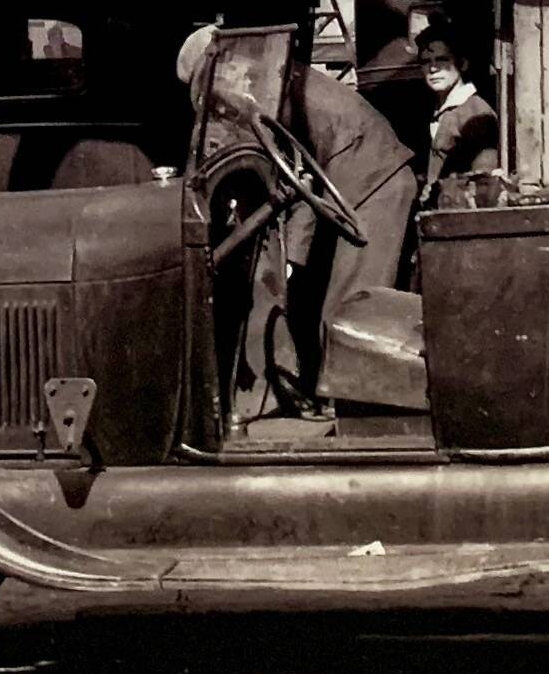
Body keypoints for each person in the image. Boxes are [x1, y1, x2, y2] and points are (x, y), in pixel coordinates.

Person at [177, 23, 414, 415]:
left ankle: (357, 415)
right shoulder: (271, 83)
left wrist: (291, 257)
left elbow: (299, 177)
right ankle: (325, 399)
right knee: (318, 301)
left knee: (350, 310)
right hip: (351, 183)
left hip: (376, 184)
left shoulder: (270, 89)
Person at [416, 32, 502, 204]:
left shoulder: (476, 114)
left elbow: (483, 182)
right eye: (426, 62)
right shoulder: (434, 110)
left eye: (442, 60)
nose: (433, 69)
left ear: (462, 63)